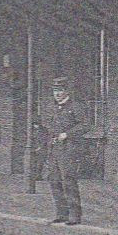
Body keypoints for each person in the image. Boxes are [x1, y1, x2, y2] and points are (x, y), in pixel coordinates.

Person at [39, 77, 87, 225]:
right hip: (54, 149)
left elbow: (85, 125)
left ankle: (74, 215)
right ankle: (62, 213)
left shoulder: (76, 106)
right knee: (54, 180)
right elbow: (46, 123)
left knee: (68, 181)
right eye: (55, 91)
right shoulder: (53, 108)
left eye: (60, 90)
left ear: (67, 91)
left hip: (69, 149)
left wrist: (67, 134)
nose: (57, 94)